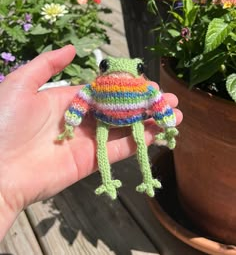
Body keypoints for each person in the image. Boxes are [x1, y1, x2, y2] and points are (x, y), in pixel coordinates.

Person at [0, 45, 183, 240]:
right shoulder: (127, 87)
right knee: (118, 146)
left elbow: (157, 102)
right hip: (111, 120)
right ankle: (124, 180)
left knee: (123, 145)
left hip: (122, 120)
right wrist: (167, 123)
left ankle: (143, 179)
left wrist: (168, 123)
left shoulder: (102, 86)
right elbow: (158, 103)